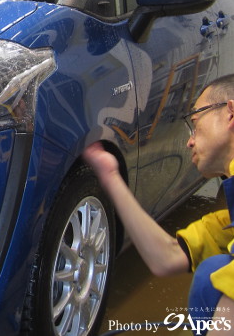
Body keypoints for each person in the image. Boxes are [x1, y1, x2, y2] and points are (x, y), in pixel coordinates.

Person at [83, 74, 234, 335]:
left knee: (212, 281)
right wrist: (110, 176)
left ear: (231, 113)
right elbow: (168, 257)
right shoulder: (227, 220)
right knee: (210, 272)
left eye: (195, 122)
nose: (190, 140)